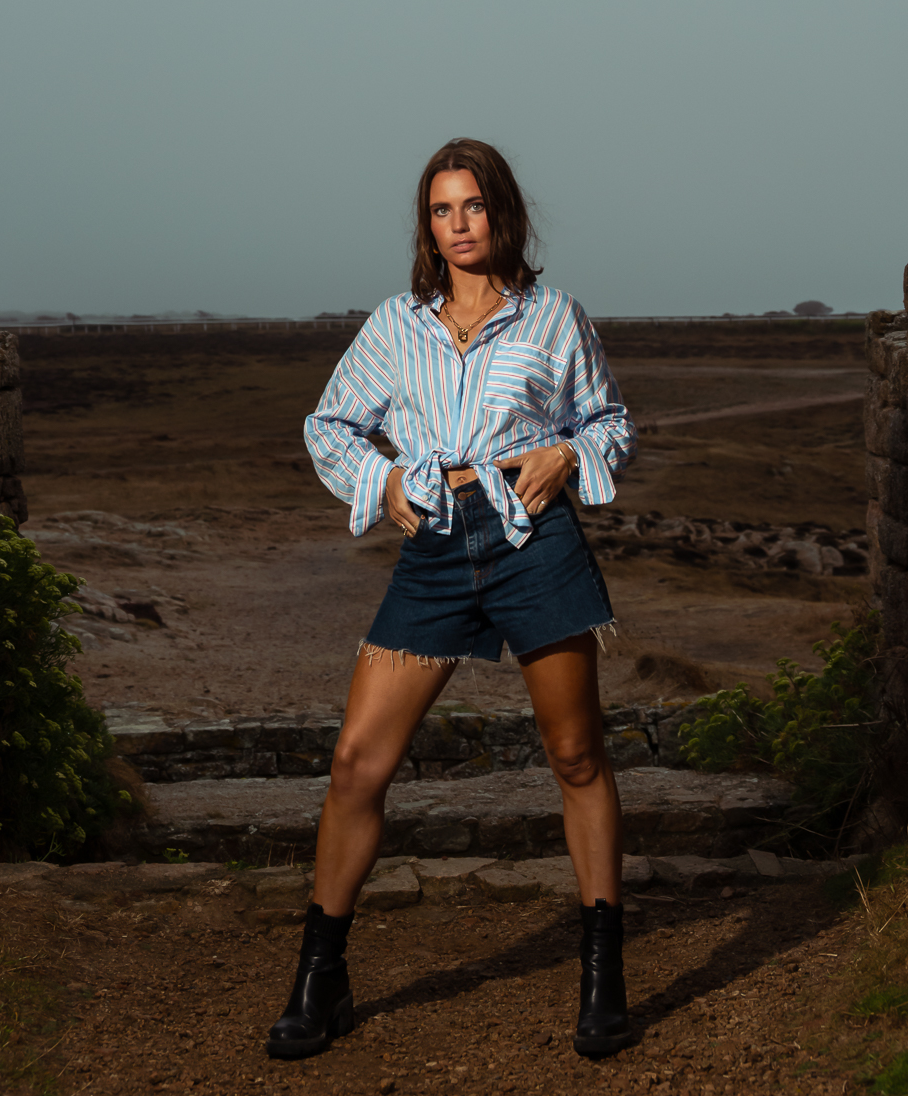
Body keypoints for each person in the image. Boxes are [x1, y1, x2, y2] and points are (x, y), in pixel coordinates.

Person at [267, 138, 637, 1061]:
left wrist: (567, 453)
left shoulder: (555, 318)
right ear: (426, 227)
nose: (458, 224)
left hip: (533, 543)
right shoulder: (396, 324)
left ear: (502, 212)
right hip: (435, 548)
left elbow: (610, 421)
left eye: (472, 205)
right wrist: (384, 482)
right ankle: (320, 980)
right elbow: (328, 423)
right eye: (441, 210)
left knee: (576, 755)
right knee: (357, 764)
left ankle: (603, 977)